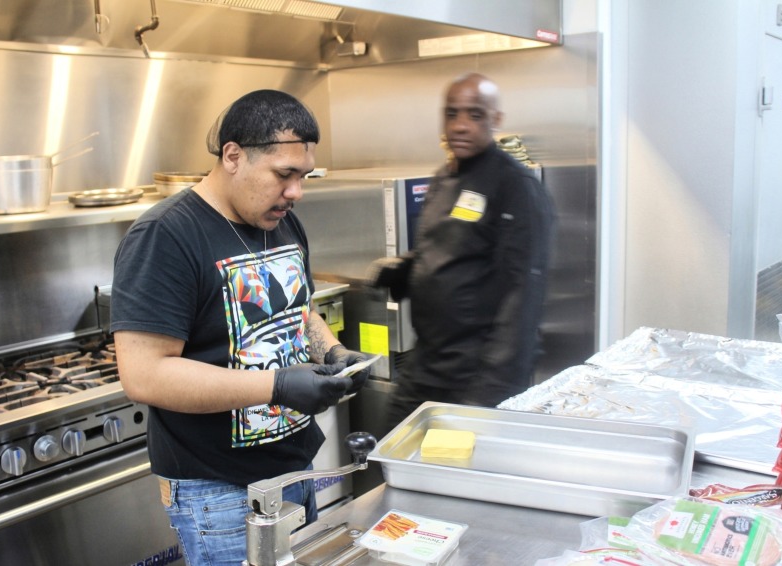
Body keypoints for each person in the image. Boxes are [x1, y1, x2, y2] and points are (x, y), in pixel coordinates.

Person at [110, 89, 371, 566]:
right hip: (221, 491)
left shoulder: (281, 221)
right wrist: (276, 385)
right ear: (233, 155)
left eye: (303, 176)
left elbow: (300, 309)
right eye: (284, 175)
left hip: (294, 469)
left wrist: (332, 352)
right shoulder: (166, 236)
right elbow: (144, 374)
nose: (296, 192)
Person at [368, 72, 555, 432]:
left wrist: (485, 399)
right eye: (452, 114)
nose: (461, 126)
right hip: (427, 365)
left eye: (474, 114)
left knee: (454, 478)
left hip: (478, 376)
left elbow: (522, 298)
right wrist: (405, 270)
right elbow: (449, 252)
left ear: (495, 120)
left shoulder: (515, 188)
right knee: (390, 455)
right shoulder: (443, 179)